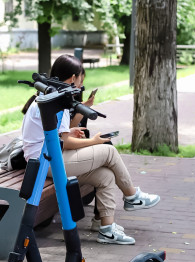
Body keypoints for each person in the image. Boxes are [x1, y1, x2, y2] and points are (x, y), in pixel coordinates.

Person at [20, 54, 160, 245]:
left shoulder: (51, 96)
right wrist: (93, 141)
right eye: (81, 81)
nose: (81, 86)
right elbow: (65, 142)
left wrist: (72, 130)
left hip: (48, 158)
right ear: (72, 78)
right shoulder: (55, 101)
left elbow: (57, 134)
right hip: (46, 162)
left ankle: (106, 228)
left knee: (105, 176)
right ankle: (132, 196)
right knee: (109, 151)